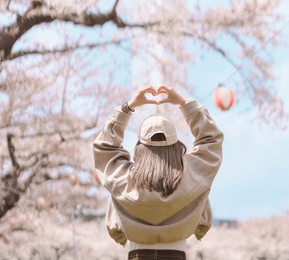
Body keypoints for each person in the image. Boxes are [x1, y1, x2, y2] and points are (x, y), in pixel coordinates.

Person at [93, 85, 223, 260]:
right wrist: (183, 103)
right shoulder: (191, 174)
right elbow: (211, 139)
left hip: (137, 254)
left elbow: (104, 147)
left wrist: (128, 107)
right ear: (177, 146)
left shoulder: (125, 178)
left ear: (139, 148)